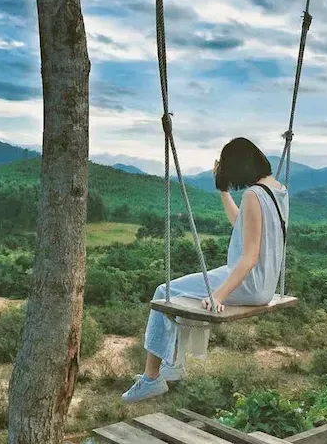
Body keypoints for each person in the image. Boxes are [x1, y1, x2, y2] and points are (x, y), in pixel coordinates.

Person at [121, 137, 288, 403]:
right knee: (184, 296)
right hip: (263, 285)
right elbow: (241, 223)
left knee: (163, 292)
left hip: (248, 283)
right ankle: (173, 365)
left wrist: (218, 296)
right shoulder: (277, 190)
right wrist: (223, 192)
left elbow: (250, 256)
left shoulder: (253, 194)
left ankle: (151, 378)